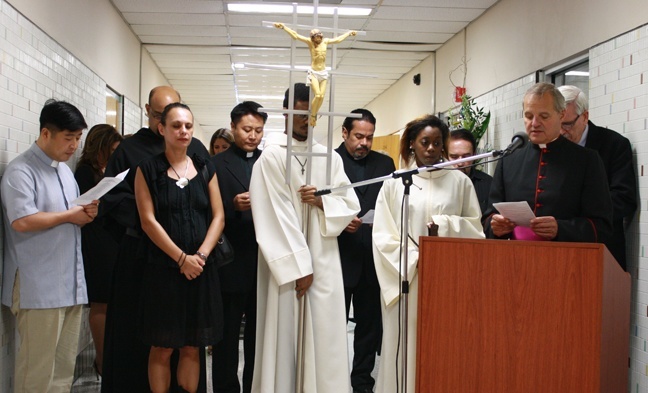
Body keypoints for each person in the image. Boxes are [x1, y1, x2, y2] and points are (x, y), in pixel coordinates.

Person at [249, 83, 360, 392]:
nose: (303, 118)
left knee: (325, 335)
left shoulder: (330, 158)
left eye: (309, 112)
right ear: (285, 112)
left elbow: (351, 204)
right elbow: (274, 216)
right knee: (284, 337)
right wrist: (300, 267)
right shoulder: (271, 158)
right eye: (297, 112)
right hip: (286, 266)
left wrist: (323, 201)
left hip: (324, 258)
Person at [101, 86, 210, 392]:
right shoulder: (129, 152)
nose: (179, 128)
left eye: (182, 120)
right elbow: (115, 201)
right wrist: (157, 227)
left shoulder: (197, 150)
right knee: (149, 339)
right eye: (165, 117)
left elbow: (211, 208)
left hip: (189, 261)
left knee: (188, 341)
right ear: (150, 113)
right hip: (142, 257)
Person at [372, 114, 484, 393]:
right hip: (406, 278)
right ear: (412, 144)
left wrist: (444, 226)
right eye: (425, 142)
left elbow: (475, 230)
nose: (432, 149)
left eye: (437, 143)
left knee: (444, 346)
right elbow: (383, 234)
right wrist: (414, 258)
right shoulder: (396, 183)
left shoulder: (460, 182)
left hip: (447, 279)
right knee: (404, 346)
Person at [1, 100, 99, 393]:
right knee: (37, 372)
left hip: (69, 285)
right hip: (38, 287)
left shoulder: (65, 173)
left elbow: (69, 218)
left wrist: (85, 216)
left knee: (62, 373)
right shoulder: (21, 171)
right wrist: (71, 215)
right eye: (68, 138)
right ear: (46, 133)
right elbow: (22, 220)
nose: (74, 146)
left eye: (78, 139)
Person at [134, 102, 224, 393]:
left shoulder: (205, 166)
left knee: (191, 346)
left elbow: (218, 215)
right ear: (162, 129)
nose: (183, 131)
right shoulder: (147, 170)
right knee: (162, 347)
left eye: (188, 125)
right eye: (176, 125)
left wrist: (199, 256)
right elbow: (148, 222)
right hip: (164, 271)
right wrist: (181, 258)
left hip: (200, 269)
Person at [483, 82, 613, 243]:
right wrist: (495, 225)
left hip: (567, 261)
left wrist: (561, 228)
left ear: (561, 114)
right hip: (515, 259)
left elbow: (601, 226)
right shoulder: (509, 160)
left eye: (544, 116)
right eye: (529, 116)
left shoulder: (587, 160)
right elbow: (489, 217)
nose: (535, 123)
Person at [334, 109, 395, 393]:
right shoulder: (328, 161)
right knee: (333, 328)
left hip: (373, 259)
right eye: (359, 136)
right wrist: (339, 219)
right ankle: (332, 382)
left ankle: (362, 383)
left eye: (369, 137)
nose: (364, 143)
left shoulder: (385, 164)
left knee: (368, 330)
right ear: (344, 133)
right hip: (338, 258)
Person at [211, 101, 267, 393]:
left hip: (263, 263)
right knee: (226, 338)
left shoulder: (270, 162)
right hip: (229, 262)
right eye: (247, 129)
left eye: (258, 130)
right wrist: (232, 207)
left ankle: (254, 388)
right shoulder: (216, 164)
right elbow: (206, 211)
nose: (253, 136)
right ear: (233, 128)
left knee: (259, 339)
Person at [558, 85, 637, 270]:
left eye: (567, 124)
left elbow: (624, 199)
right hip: (559, 249)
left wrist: (578, 219)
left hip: (602, 248)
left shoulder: (614, 145)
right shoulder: (552, 148)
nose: (561, 131)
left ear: (585, 116)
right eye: (557, 124)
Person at [74, 124, 124, 376]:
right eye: (112, 149)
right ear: (100, 147)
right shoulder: (85, 172)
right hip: (95, 241)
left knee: (110, 301)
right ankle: (102, 361)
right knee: (100, 302)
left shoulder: (108, 170)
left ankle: (109, 359)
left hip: (110, 241)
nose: (115, 154)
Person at [274, 23, 357, 126]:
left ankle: (313, 114)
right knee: (317, 95)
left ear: (320, 36)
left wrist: (348, 34)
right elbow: (295, 36)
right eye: (314, 37)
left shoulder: (325, 42)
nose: (317, 39)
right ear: (312, 38)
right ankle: (313, 115)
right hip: (313, 73)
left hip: (323, 73)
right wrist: (283, 27)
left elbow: (338, 40)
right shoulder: (310, 43)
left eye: (318, 36)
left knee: (321, 96)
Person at [447, 128, 493, 215]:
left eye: (466, 157)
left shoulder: (489, 184)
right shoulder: (437, 183)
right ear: (445, 155)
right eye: (454, 157)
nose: (460, 163)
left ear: (474, 155)